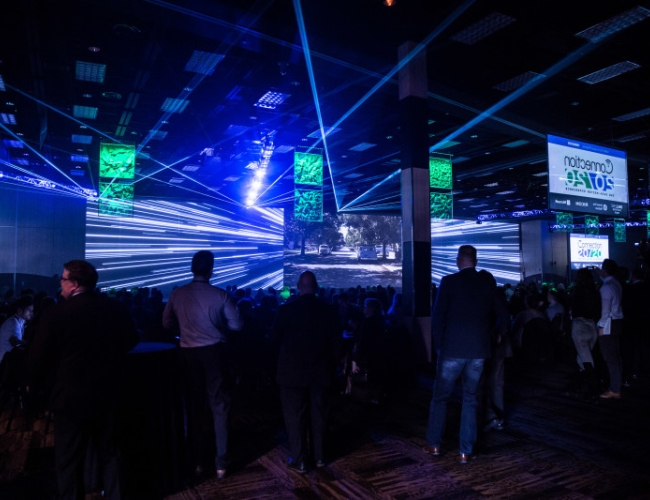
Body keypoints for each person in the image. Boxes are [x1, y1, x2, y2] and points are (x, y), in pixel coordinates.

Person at [26, 260, 139, 500]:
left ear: (75, 284)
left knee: (69, 459)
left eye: (63, 279)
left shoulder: (57, 313)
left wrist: (35, 388)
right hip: (108, 393)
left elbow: (38, 356)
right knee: (110, 454)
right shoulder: (115, 309)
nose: (60, 283)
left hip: (70, 398)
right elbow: (131, 341)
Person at [162, 250, 243, 479]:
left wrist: (182, 330)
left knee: (194, 408)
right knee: (220, 407)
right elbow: (237, 326)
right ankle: (221, 463)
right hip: (214, 354)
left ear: (191, 268)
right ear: (211, 270)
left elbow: (166, 322)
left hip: (188, 354)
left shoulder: (178, 294)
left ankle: (197, 461)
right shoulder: (220, 295)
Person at [424, 245, 499, 464]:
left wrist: (439, 346)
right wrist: (492, 336)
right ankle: (466, 450)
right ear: (475, 261)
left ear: (459, 261)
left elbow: (438, 318)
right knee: (471, 399)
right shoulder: (487, 283)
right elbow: (500, 313)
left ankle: (434, 444)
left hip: (452, 350)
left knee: (440, 397)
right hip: (478, 350)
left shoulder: (448, 282)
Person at [271, 270, 341, 473]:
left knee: (294, 417)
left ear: (298, 287)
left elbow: (274, 341)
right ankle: (319, 457)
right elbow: (337, 344)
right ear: (316, 287)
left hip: (291, 374)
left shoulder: (286, 310)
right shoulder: (329, 310)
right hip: (321, 373)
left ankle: (300, 460)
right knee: (319, 416)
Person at [569, 268, 601, 398]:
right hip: (592, 325)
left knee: (585, 358)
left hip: (579, 324)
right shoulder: (595, 291)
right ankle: (579, 385)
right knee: (584, 357)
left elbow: (571, 307)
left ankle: (593, 389)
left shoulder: (575, 291)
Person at [595, 259, 624, 399]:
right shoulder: (616, 283)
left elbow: (605, 311)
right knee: (616, 356)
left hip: (609, 323)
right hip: (618, 321)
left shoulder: (606, 287)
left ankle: (614, 389)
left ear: (604, 270)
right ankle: (616, 385)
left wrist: (601, 326)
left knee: (609, 356)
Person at [0, 294, 33, 365]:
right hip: (3, 362)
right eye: (29, 310)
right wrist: (29, 343)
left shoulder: (17, 322)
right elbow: (14, 341)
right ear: (20, 311)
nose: (31, 313)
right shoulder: (13, 322)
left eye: (32, 311)